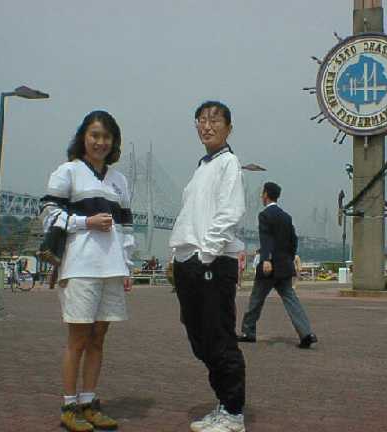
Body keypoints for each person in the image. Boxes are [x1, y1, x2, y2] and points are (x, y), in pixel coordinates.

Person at [40, 110, 134, 432]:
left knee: (98, 338)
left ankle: (89, 402)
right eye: (95, 135)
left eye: (107, 136)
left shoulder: (120, 181)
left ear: (114, 141)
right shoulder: (68, 172)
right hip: (80, 267)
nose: (100, 142)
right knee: (78, 338)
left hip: (111, 269)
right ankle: (69, 406)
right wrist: (85, 222)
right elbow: (48, 214)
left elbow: (126, 228)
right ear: (83, 137)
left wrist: (127, 266)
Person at [169, 101, 247, 432]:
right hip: (189, 262)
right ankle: (223, 403)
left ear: (229, 128)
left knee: (218, 336)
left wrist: (206, 254)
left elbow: (230, 212)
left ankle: (233, 413)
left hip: (211, 262)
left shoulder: (229, 163)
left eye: (215, 120)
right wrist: (180, 257)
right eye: (201, 120)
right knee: (200, 339)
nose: (207, 126)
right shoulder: (202, 166)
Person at [238, 182, 317, 349]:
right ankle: (306, 333)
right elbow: (293, 240)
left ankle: (248, 332)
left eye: (262, 193)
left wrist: (266, 259)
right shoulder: (286, 216)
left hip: (269, 267)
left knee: (256, 300)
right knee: (291, 300)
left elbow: (266, 238)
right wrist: (289, 258)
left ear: (266, 195)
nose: (261, 196)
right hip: (284, 266)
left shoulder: (264, 215)